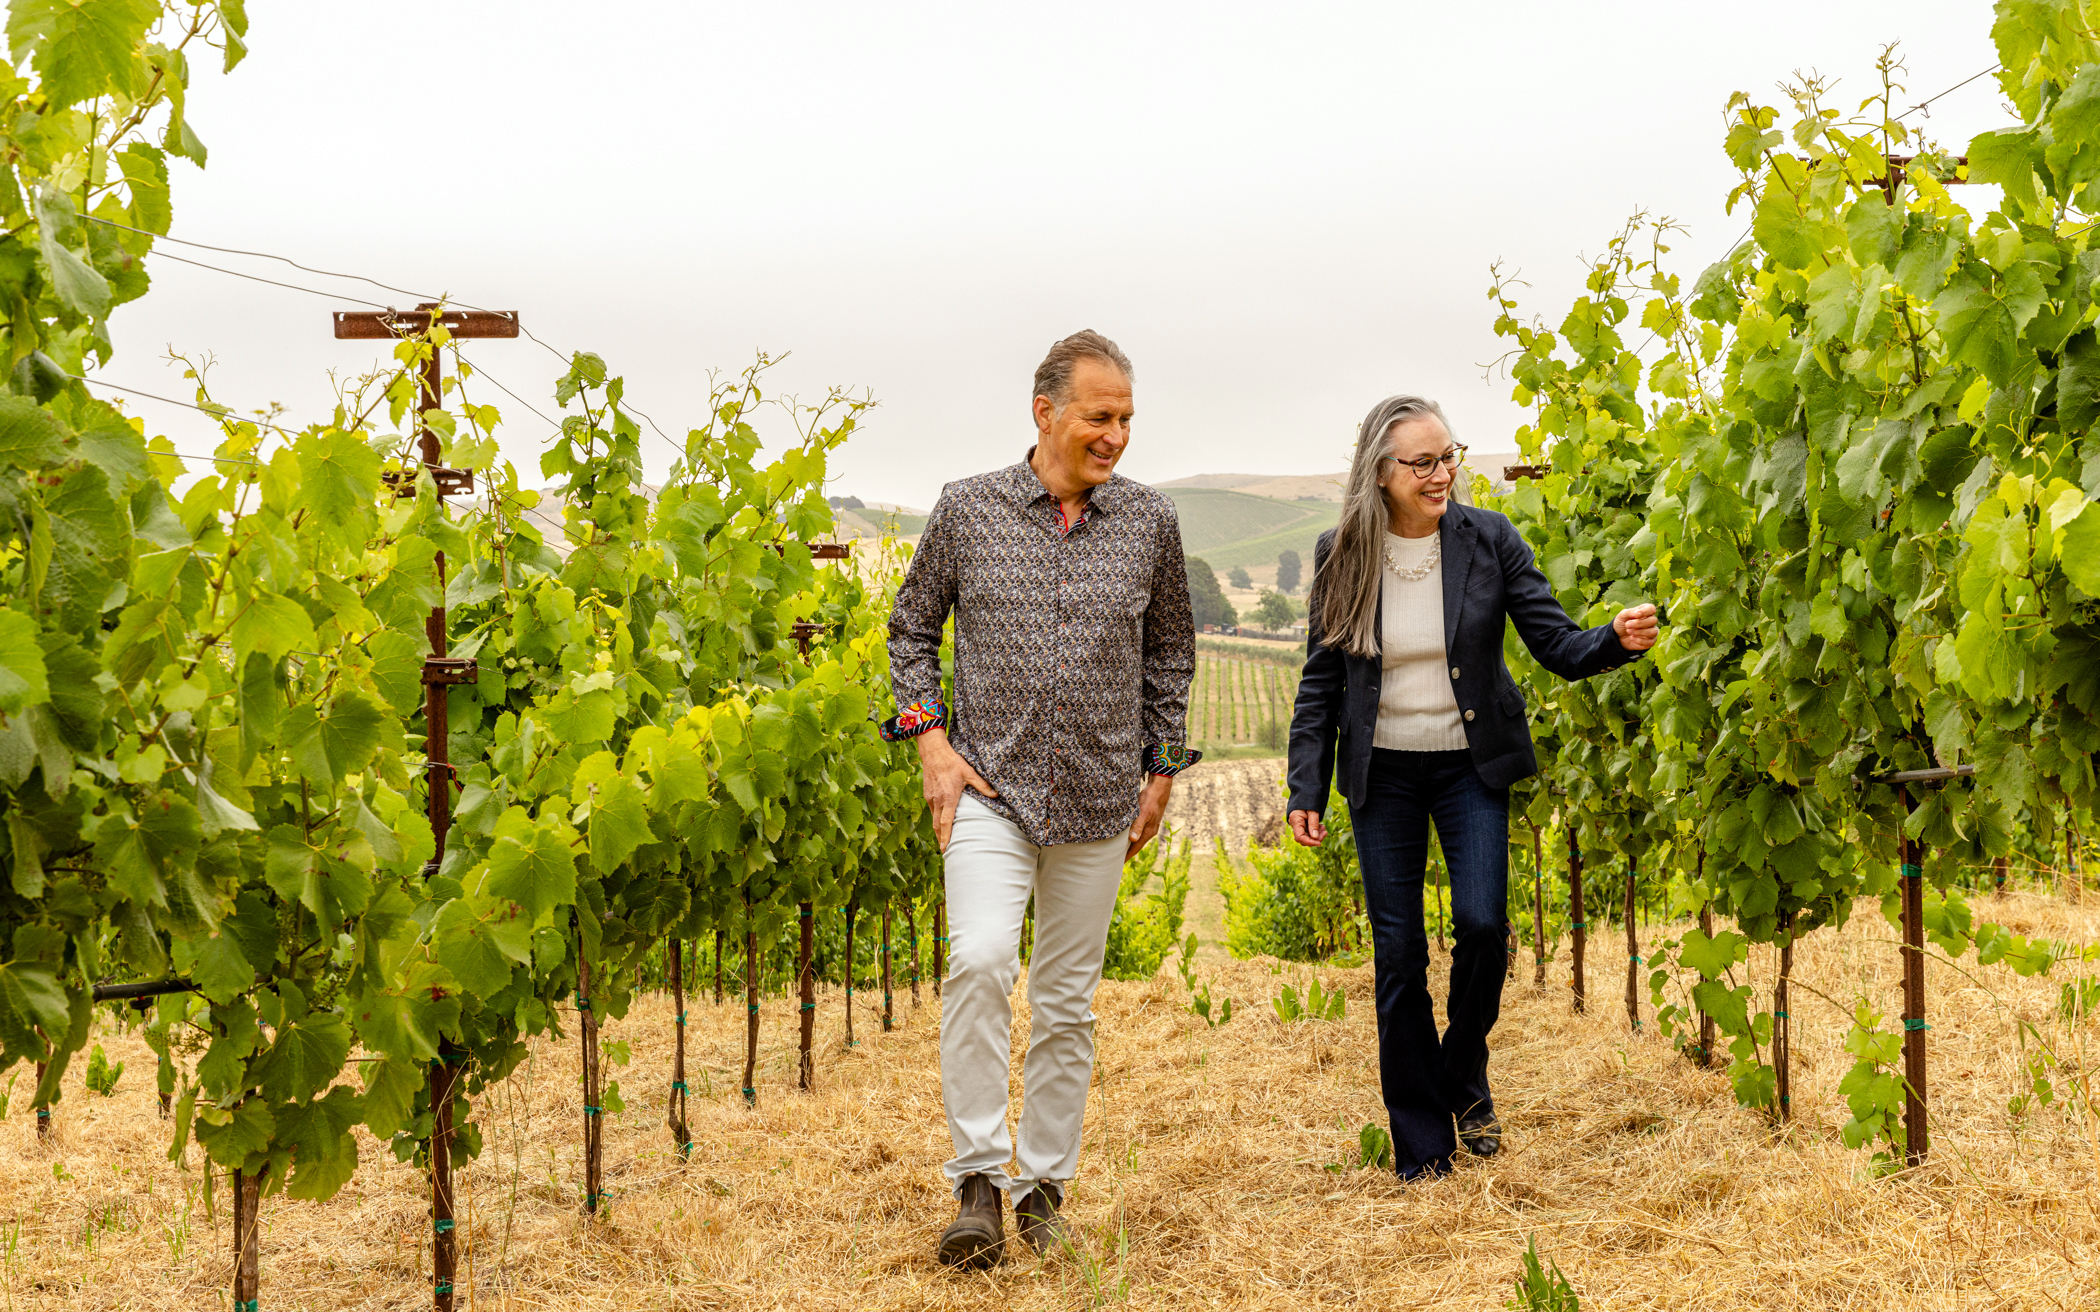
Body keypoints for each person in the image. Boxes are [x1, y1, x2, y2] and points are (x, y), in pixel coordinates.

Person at [884, 330, 1199, 1266]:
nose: (1116, 436)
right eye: (1100, 417)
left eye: (1127, 419)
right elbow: (909, 629)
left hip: (1103, 796)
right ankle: (977, 1179)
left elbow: (1171, 651)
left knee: (1066, 1001)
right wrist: (930, 742)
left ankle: (1043, 1188)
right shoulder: (968, 510)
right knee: (979, 962)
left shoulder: (1149, 523)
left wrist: (1161, 768)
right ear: (1045, 412)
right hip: (989, 786)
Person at [1285, 394, 1659, 1182]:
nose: (1441, 473)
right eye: (1422, 462)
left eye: (1449, 455)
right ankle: (1422, 1143)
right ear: (1380, 473)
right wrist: (1305, 786)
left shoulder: (1489, 538)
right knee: (1399, 954)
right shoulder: (1343, 550)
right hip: (1381, 773)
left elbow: (1553, 642)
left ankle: (1464, 1073)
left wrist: (1614, 643)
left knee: (1486, 927)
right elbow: (1321, 680)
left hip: (1470, 766)